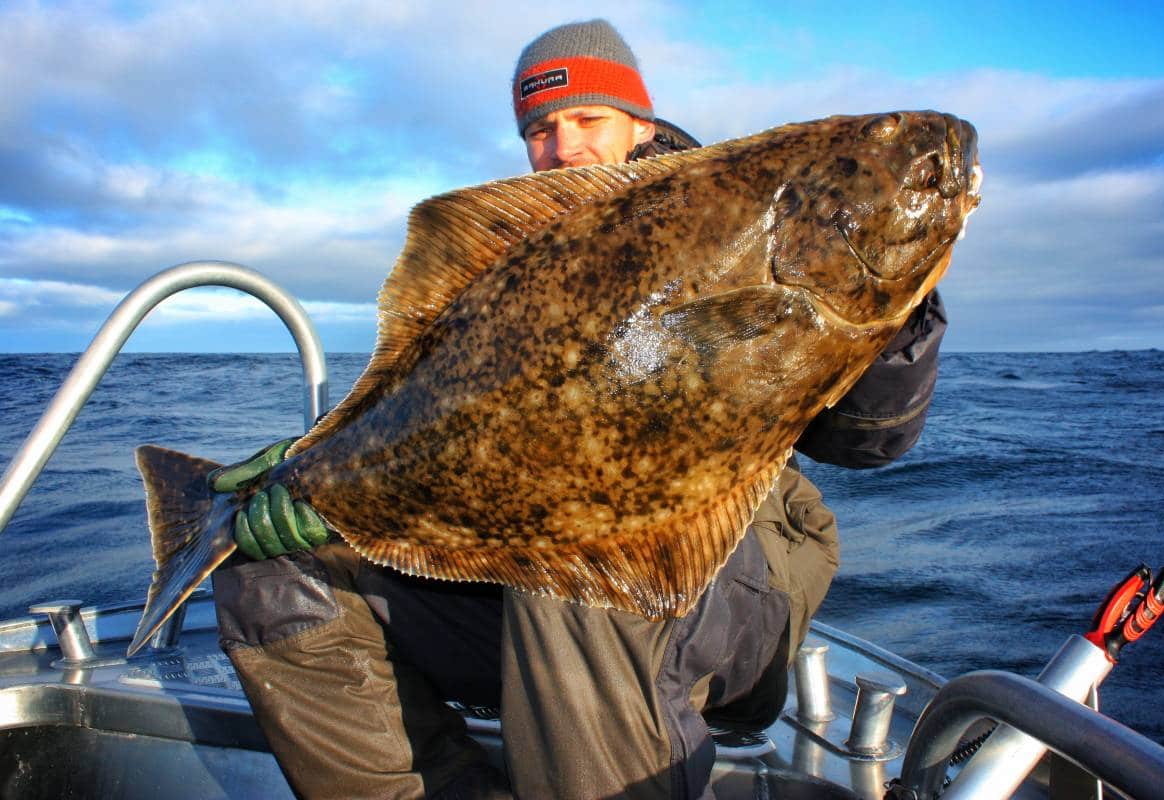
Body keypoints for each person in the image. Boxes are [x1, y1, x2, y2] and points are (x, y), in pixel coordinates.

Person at [212, 19, 946, 800]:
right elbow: (442, 418)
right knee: (264, 568)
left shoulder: (756, 217)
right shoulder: (533, 262)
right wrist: (323, 470)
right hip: (536, 576)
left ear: (641, 122)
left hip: (732, 583)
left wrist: (896, 307)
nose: (564, 148)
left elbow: (871, 440)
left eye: (588, 120)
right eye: (540, 129)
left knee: (575, 567)